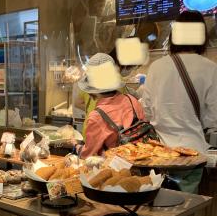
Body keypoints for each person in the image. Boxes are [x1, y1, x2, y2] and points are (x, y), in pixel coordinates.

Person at [142, 10, 217, 193]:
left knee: (157, 203)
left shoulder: (156, 67)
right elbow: (214, 118)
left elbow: (147, 111)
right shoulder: (210, 68)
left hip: (158, 153)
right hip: (192, 155)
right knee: (187, 205)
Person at [75, 53, 145, 158]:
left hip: (114, 166)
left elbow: (88, 154)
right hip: (141, 160)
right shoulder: (132, 100)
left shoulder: (96, 117)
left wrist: (76, 146)